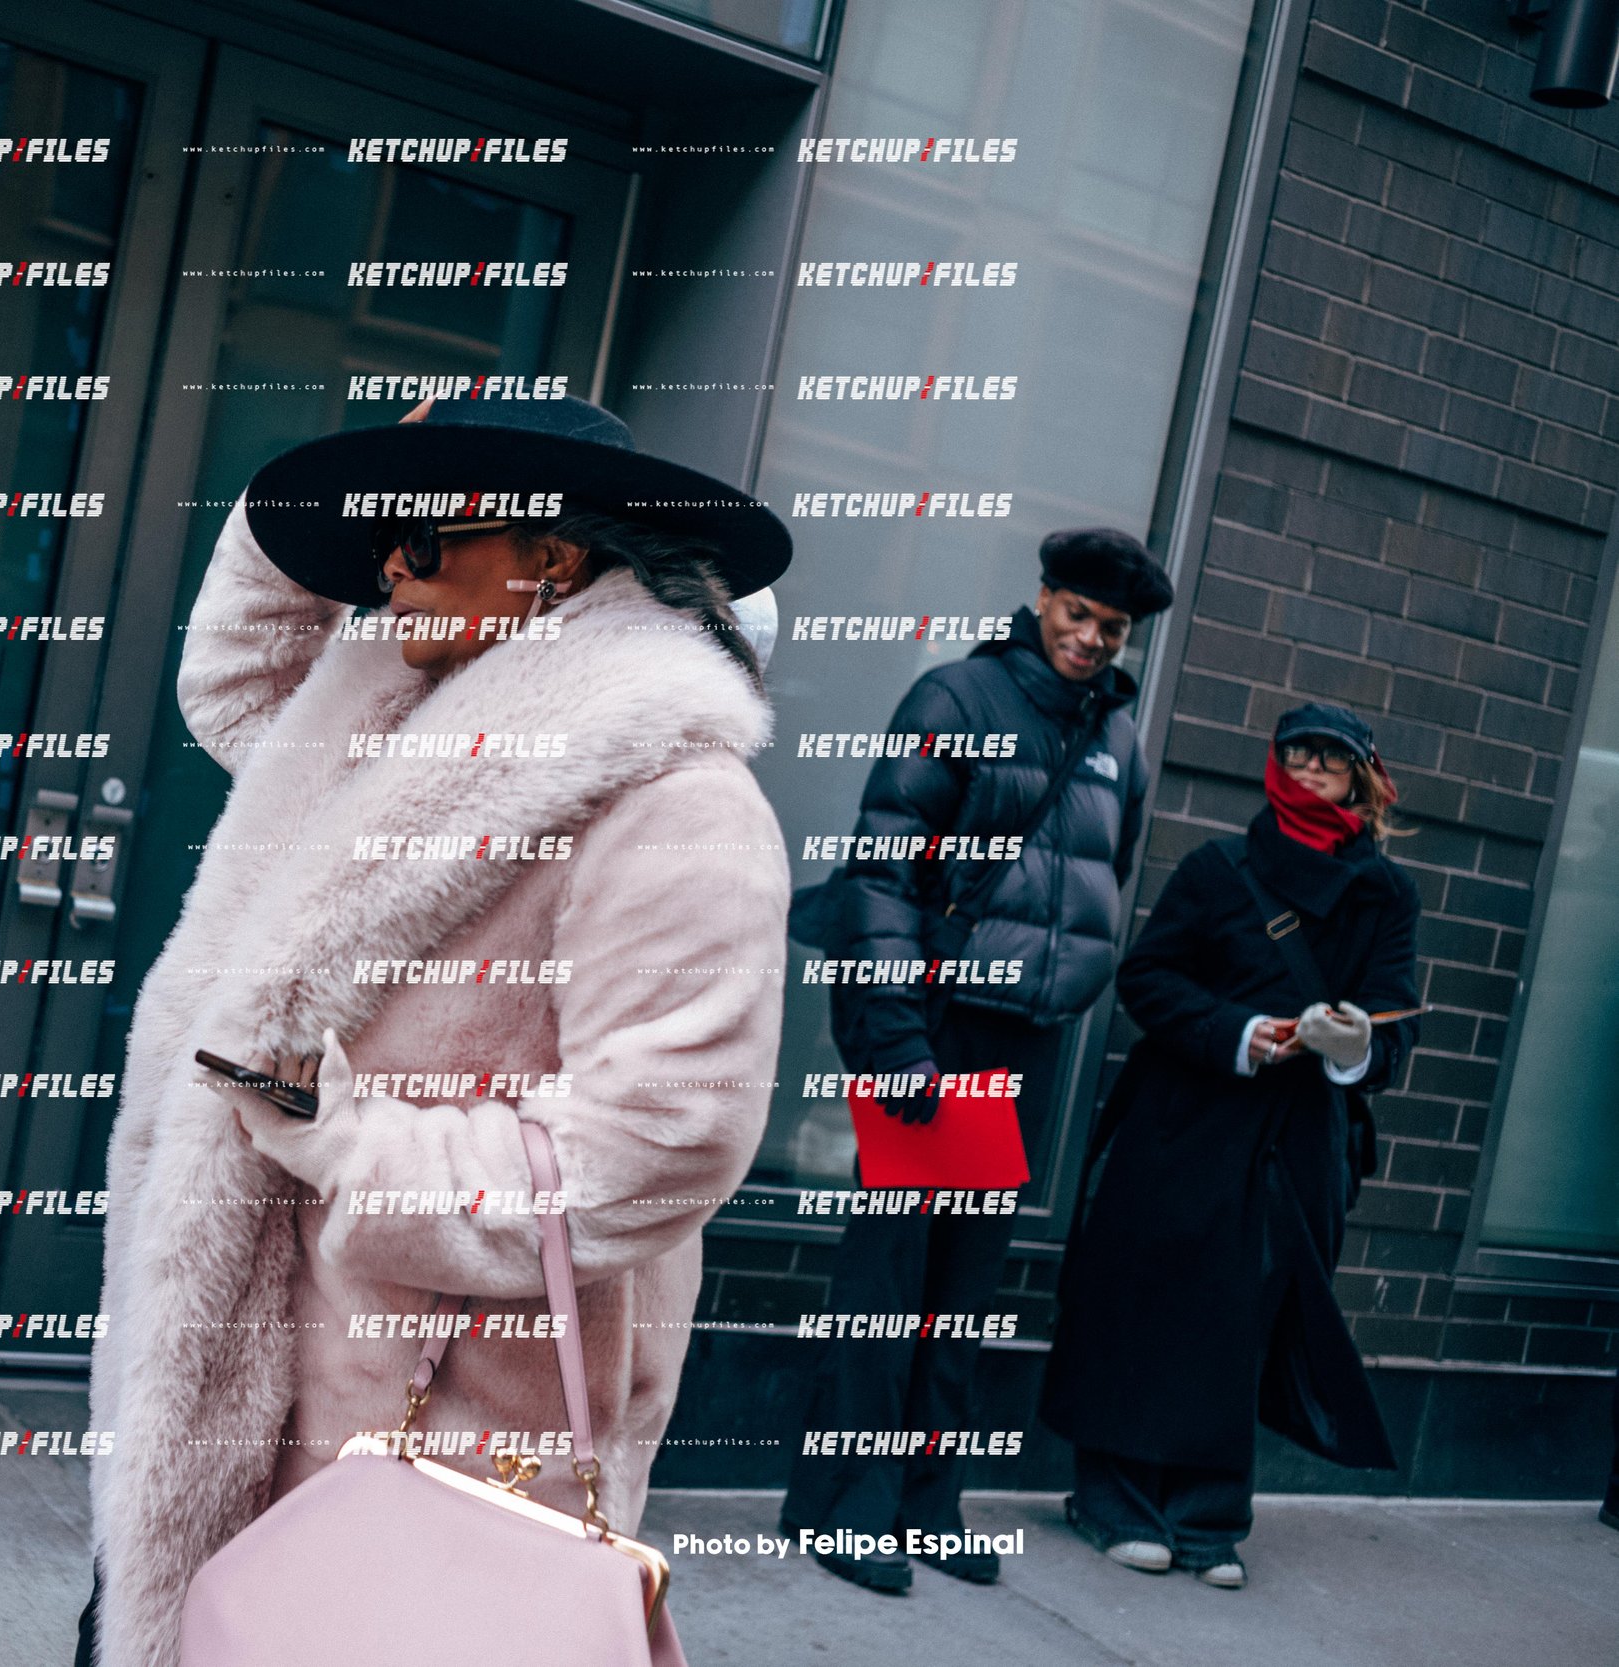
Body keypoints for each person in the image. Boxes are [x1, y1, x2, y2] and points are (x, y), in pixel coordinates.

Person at [72, 397, 793, 1666]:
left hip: (445, 1426)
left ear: (548, 560)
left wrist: (344, 1139)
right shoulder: (382, 727)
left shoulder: (673, 796)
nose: (389, 566)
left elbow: (663, 1141)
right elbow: (237, 676)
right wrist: (340, 473)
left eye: (421, 536)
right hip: (248, 1388)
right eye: (379, 541)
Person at [781, 528, 1174, 1595]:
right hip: (928, 1022)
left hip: (1022, 1039)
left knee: (964, 1285)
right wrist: (898, 1037)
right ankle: (842, 1501)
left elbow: (1107, 873)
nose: (1091, 639)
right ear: (1041, 598)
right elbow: (881, 874)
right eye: (1078, 613)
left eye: (1113, 627)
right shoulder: (956, 698)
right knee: (889, 1277)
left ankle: (925, 1499)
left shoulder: (1119, 740)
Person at [1041, 701, 1418, 1590]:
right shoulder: (1222, 868)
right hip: (1188, 1119)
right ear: (1275, 764)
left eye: (1333, 756)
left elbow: (1395, 1018)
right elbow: (1149, 976)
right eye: (1300, 753)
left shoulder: (1387, 892)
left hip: (1299, 1140)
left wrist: (1353, 1041)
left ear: (1363, 775)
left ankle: (1209, 1517)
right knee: (1150, 1306)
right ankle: (1115, 1499)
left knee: (1249, 1319)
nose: (1314, 767)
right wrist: (1242, 1031)